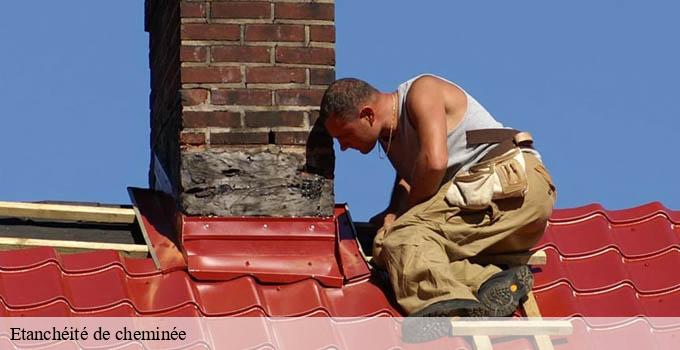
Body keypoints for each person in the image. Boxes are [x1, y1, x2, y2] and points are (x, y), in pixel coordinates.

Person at [320, 74, 557, 325]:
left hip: (511, 185)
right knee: (397, 249)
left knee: (400, 240)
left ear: (367, 115)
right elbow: (410, 180)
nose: (343, 147)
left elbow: (433, 164)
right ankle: (487, 282)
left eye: (344, 135)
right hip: (496, 213)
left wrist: (402, 220)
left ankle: (443, 305)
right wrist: (393, 210)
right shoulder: (390, 137)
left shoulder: (421, 92)